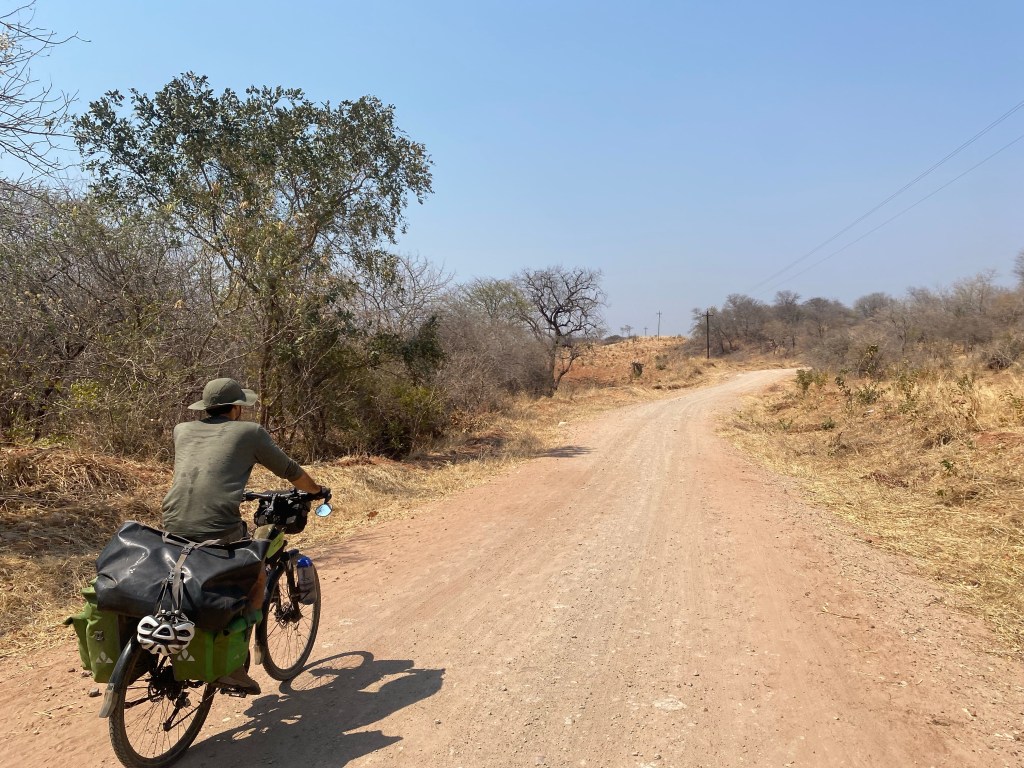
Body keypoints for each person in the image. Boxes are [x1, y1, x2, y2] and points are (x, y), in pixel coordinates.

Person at [161, 377, 328, 694]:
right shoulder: (249, 432)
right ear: (237, 408)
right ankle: (235, 665)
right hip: (219, 526)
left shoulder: (181, 431)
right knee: (257, 573)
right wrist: (317, 491)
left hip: (172, 522)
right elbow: (290, 471)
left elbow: (207, 469)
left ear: (206, 408)